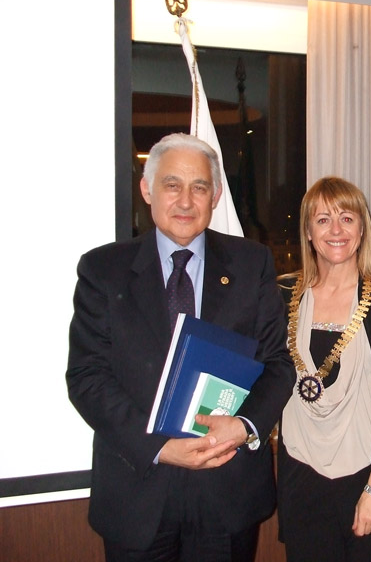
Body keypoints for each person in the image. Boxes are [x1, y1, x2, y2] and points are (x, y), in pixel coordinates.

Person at [66, 133, 296, 561]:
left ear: (216, 195)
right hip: (137, 494)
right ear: (147, 189)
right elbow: (86, 378)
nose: (186, 201)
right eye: (172, 185)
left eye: (200, 187)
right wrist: (160, 447)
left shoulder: (252, 264)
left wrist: (245, 425)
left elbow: (277, 365)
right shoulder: (103, 270)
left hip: (227, 491)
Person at [276, 176, 371, 561]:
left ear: (362, 228)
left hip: (367, 476)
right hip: (301, 476)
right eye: (322, 220)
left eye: (347, 218)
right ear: (307, 230)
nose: (336, 230)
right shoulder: (284, 297)